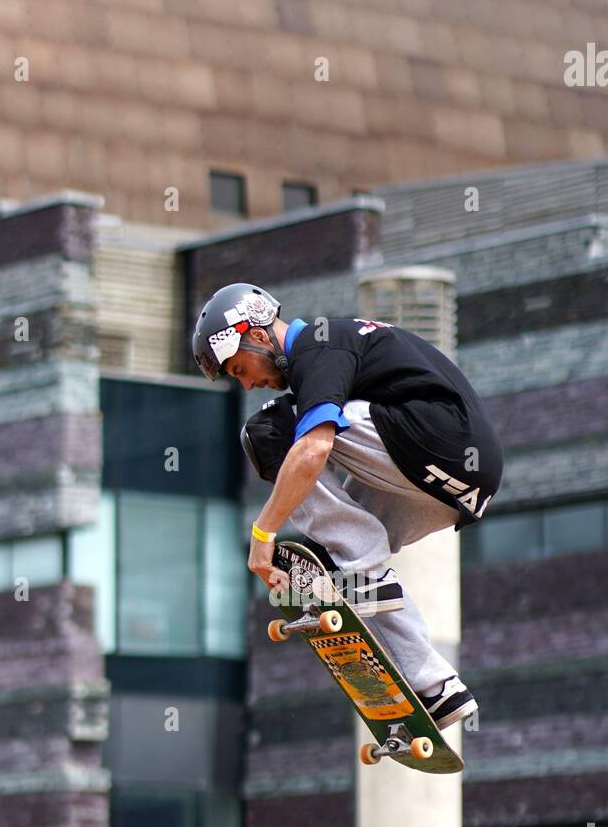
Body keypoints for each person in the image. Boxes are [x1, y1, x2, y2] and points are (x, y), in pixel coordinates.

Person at [192, 283, 504, 729]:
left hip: (443, 445)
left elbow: (314, 450)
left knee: (271, 430)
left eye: (240, 368)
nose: (247, 382)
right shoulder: (334, 347)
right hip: (451, 485)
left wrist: (263, 534)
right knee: (341, 565)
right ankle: (434, 685)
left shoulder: (319, 347)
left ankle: (362, 567)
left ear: (259, 336)